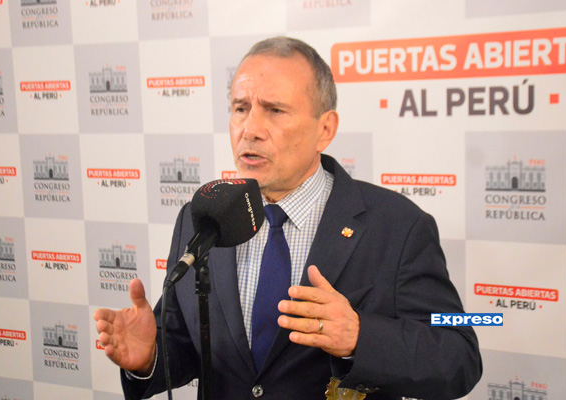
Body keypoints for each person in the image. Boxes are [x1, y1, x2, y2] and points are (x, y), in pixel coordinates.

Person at [94, 36, 482, 399]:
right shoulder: (201, 218)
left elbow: (458, 356)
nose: (250, 130)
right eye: (241, 109)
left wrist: (359, 337)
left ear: (325, 129)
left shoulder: (397, 226)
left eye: (275, 110)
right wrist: (149, 358)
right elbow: (187, 346)